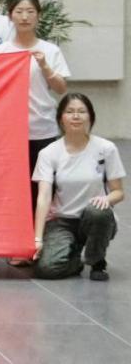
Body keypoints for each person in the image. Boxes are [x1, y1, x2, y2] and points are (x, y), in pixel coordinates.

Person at [0, 0, 71, 266]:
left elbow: (61, 89)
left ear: (38, 16)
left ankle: (40, 240)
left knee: (42, 188)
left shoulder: (50, 50)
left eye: (30, 12)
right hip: (9, 132)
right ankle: (17, 243)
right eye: (19, 11)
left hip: (43, 129)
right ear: (10, 16)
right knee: (16, 189)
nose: (24, 17)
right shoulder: (0, 53)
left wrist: (45, 66)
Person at [33, 93, 125, 281]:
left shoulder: (106, 148)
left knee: (99, 212)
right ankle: (75, 259)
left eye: (82, 112)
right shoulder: (48, 153)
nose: (76, 116)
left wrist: (107, 199)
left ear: (90, 117)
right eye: (70, 112)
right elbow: (43, 198)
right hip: (61, 221)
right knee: (46, 269)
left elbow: (119, 192)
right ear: (61, 118)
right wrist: (38, 238)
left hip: (94, 217)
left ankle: (97, 261)